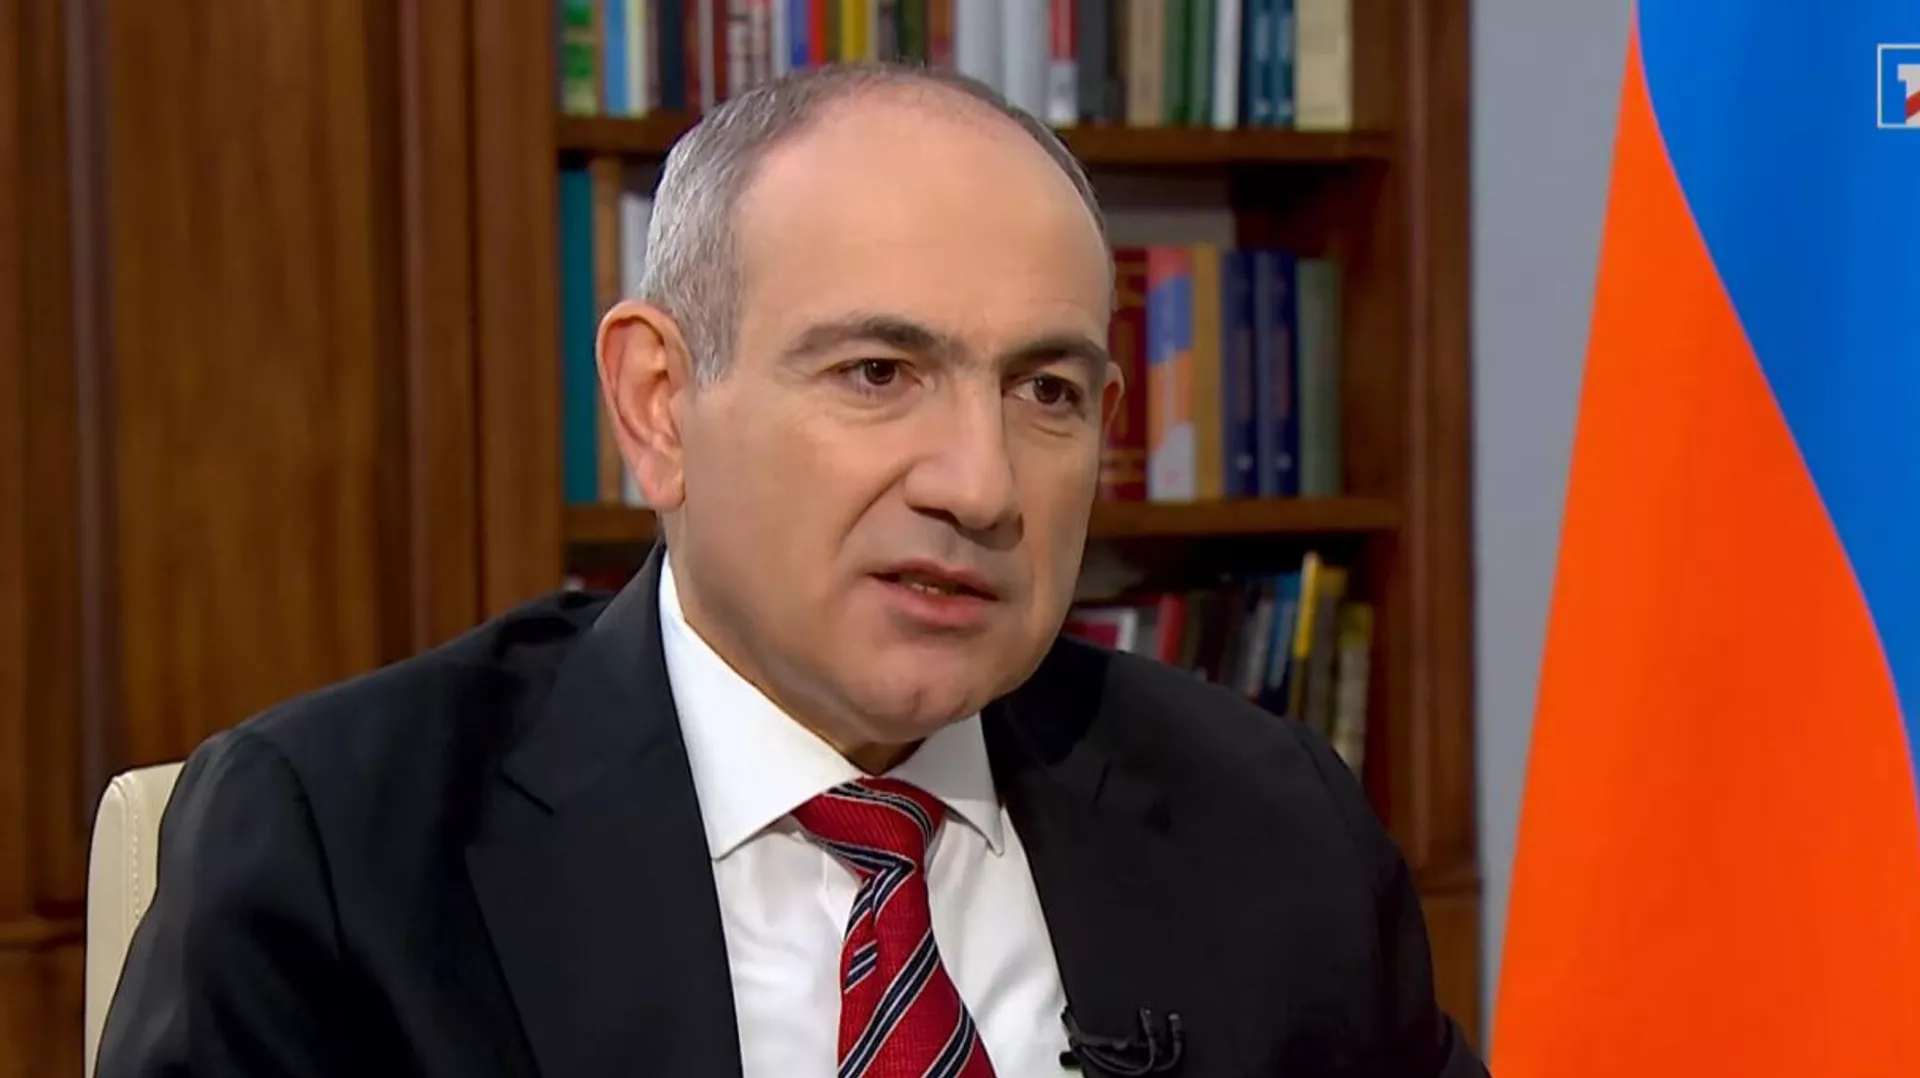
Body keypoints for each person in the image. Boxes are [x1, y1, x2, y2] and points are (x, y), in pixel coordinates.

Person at [96, 63, 1487, 1078]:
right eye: (878, 372)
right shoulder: (343, 850)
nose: (980, 484)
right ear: (657, 404)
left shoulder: (1272, 825)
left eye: (1046, 392)